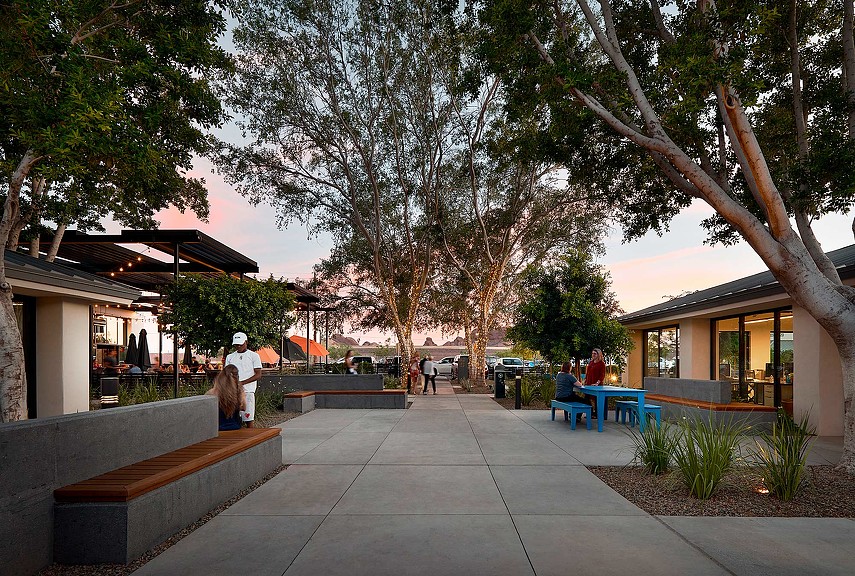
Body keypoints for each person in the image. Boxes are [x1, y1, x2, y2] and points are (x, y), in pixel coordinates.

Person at [225, 332, 262, 428]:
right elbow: (226, 373)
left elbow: (258, 374)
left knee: (248, 418)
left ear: (246, 342)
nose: (238, 347)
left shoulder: (254, 356)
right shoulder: (230, 357)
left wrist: (242, 383)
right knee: (234, 418)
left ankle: (250, 435)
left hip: (248, 391)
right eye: (236, 345)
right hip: (233, 391)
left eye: (240, 344)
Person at [206, 364, 246, 431]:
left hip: (217, 427)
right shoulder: (239, 391)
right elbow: (244, 408)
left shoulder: (212, 392)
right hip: (235, 426)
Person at [583, 348, 607, 418]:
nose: (593, 355)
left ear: (598, 354)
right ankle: (590, 412)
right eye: (592, 353)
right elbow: (588, 373)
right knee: (587, 398)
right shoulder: (591, 362)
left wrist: (597, 383)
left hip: (597, 384)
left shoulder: (601, 364)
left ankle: (596, 414)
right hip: (589, 383)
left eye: (595, 354)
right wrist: (585, 380)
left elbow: (602, 375)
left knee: (597, 399)